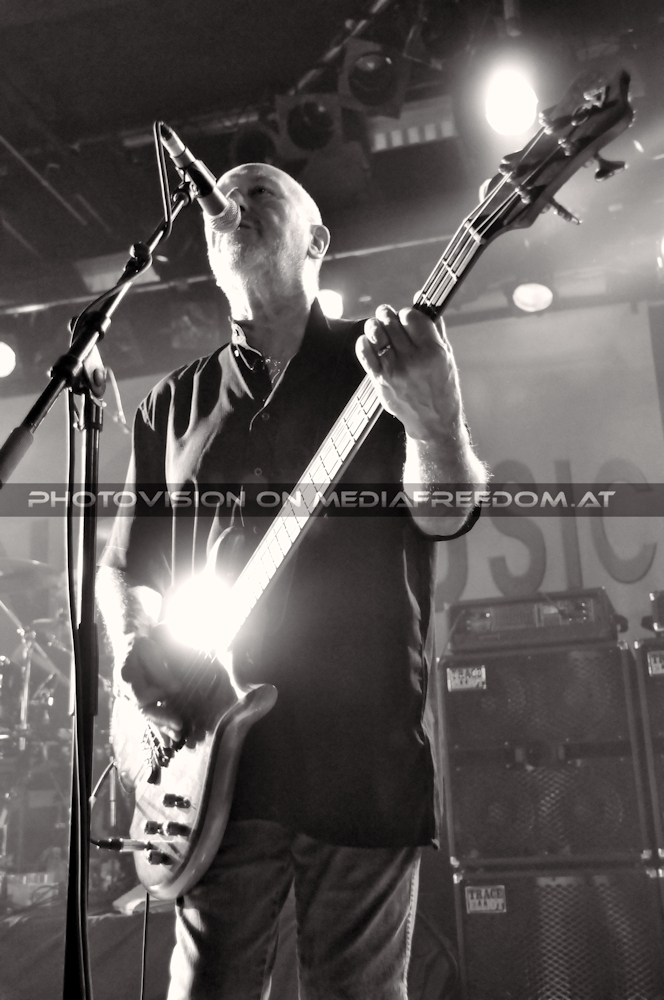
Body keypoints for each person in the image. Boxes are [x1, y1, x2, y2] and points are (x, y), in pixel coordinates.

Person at [97, 161, 488, 1000]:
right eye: (221, 200)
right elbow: (126, 566)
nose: (230, 205)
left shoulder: (381, 364)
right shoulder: (169, 406)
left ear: (318, 241)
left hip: (360, 758)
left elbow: (447, 512)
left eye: (261, 194)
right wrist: (133, 647)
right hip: (209, 765)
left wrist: (437, 420)